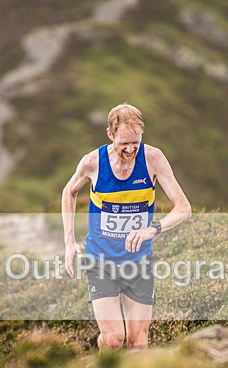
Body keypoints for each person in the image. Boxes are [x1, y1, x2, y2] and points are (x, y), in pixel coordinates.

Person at [62, 103, 192, 351]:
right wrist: (69, 241)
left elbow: (184, 208)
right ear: (110, 135)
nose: (131, 148)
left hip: (139, 261)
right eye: (124, 143)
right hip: (101, 261)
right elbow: (69, 192)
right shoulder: (92, 162)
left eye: (136, 141)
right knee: (113, 340)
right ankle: (103, 360)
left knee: (138, 343)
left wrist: (152, 229)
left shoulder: (153, 159)